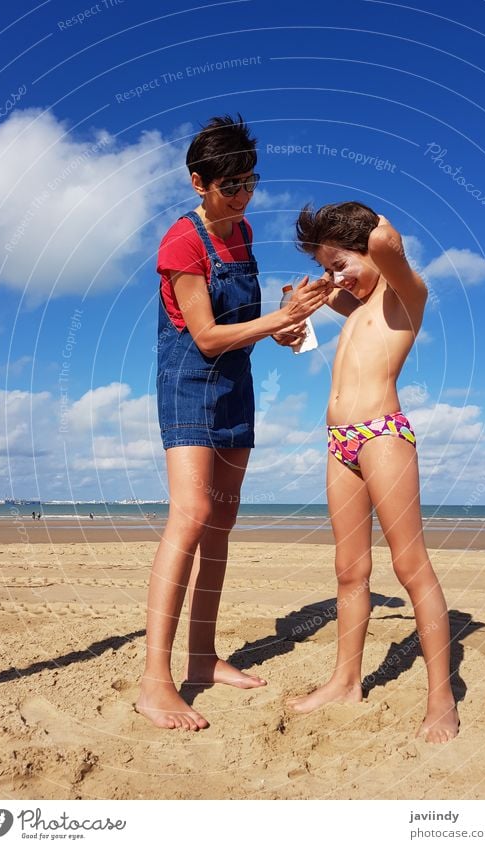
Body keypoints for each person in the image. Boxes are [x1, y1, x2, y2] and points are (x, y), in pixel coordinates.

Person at [136, 115, 329, 731]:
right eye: (231, 186)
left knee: (220, 523)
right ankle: (154, 681)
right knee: (190, 516)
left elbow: (242, 337)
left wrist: (285, 326)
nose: (243, 196)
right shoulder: (181, 242)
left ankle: (201, 658)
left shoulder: (241, 232)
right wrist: (277, 320)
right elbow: (207, 335)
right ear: (199, 182)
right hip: (190, 383)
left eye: (250, 182)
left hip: (235, 387)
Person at [288, 202, 459, 744]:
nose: (335, 277)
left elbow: (384, 243)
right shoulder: (355, 304)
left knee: (410, 566)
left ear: (362, 247)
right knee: (348, 570)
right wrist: (299, 307)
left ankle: (441, 695)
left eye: (340, 263)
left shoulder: (406, 293)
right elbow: (296, 327)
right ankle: (345, 680)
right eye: (328, 267)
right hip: (339, 442)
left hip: (382, 434)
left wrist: (357, 233)